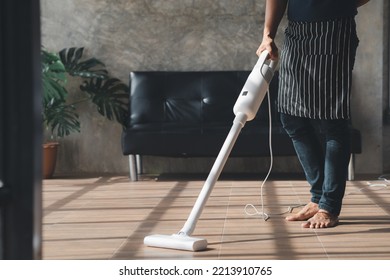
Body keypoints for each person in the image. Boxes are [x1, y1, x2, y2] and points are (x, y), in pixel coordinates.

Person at [256, 0, 370, 228]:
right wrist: (268, 34)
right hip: (297, 32)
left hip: (333, 31)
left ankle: (329, 206)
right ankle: (318, 197)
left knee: (332, 121)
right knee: (291, 117)